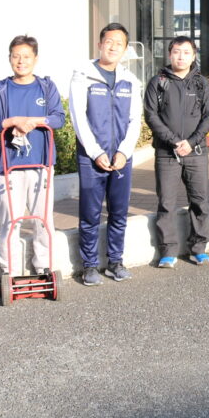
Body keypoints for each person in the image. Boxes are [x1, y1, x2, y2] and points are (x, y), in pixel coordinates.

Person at [0, 35, 66, 278]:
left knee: (43, 219)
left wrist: (33, 122)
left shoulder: (46, 87)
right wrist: (13, 121)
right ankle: (10, 272)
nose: (21, 61)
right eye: (16, 56)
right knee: (11, 220)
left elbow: (58, 118)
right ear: (10, 58)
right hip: (10, 166)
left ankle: (44, 266)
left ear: (35, 59)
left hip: (41, 164)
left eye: (26, 56)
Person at [69, 23, 142, 286]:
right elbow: (78, 118)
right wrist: (95, 152)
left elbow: (135, 120)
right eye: (108, 41)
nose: (113, 47)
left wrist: (124, 152)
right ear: (100, 44)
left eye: (119, 43)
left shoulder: (130, 80)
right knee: (90, 213)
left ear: (125, 49)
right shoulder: (83, 76)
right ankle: (89, 266)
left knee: (119, 212)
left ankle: (115, 262)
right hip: (92, 158)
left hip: (121, 157)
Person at [144, 36, 209, 268]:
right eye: (176, 51)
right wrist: (175, 141)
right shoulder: (158, 82)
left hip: (196, 152)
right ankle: (168, 251)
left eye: (186, 52)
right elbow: (151, 116)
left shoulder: (202, 83)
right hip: (167, 153)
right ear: (169, 54)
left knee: (199, 201)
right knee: (166, 202)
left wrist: (191, 142)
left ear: (193, 56)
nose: (181, 56)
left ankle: (198, 248)